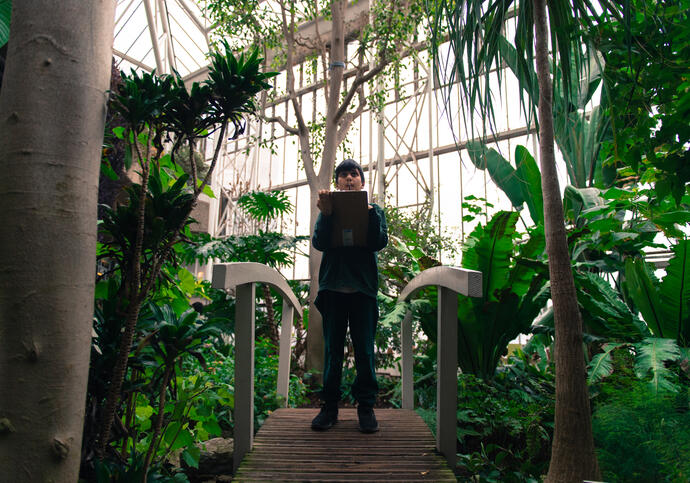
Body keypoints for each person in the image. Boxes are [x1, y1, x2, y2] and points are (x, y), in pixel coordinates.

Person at [310, 158, 388, 433]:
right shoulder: (328, 210)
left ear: (362, 182)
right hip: (334, 291)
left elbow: (379, 241)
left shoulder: (374, 210)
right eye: (343, 175)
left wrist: (367, 213)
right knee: (333, 353)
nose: (349, 179)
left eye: (354, 174)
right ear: (337, 182)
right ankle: (329, 408)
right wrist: (327, 214)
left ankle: (365, 408)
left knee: (365, 352)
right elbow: (319, 242)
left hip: (362, 292)